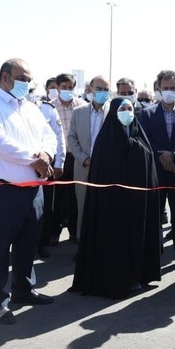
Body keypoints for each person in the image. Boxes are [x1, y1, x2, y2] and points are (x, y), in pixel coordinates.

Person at [0, 58, 58, 324]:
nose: (27, 84)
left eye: (29, 80)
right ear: (5, 78)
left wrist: (46, 154)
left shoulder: (31, 107)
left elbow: (50, 134)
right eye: (23, 79)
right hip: (2, 190)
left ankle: (24, 289)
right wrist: (35, 159)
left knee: (28, 242)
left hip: (33, 188)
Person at [69, 98, 161, 298]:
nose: (127, 112)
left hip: (136, 202)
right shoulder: (105, 139)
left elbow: (148, 165)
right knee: (114, 240)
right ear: (113, 112)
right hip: (112, 204)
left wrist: (134, 148)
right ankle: (113, 278)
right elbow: (103, 169)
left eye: (130, 108)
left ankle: (137, 275)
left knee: (136, 235)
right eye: (122, 109)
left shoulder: (140, 136)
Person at [139, 70, 175, 270]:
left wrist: (174, 156)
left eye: (172, 88)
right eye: (165, 88)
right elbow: (144, 140)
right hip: (156, 174)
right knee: (154, 217)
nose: (169, 91)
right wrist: (162, 157)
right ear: (158, 89)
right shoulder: (147, 113)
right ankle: (155, 256)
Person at [67, 75, 111, 239]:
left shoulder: (114, 112)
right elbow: (72, 138)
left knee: (105, 208)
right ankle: (82, 245)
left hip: (106, 169)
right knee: (83, 208)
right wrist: (83, 158)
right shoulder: (79, 112)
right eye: (99, 89)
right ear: (90, 89)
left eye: (106, 89)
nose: (102, 92)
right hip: (84, 167)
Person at [52, 73, 84, 243]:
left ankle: (74, 231)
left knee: (75, 197)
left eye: (70, 87)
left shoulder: (82, 106)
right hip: (57, 158)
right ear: (57, 88)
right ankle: (54, 232)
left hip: (76, 157)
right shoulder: (49, 107)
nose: (67, 90)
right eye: (63, 87)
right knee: (56, 197)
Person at [36, 88, 65, 258]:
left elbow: (58, 138)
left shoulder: (48, 109)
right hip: (22, 167)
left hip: (46, 165)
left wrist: (59, 162)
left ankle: (43, 242)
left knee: (46, 207)